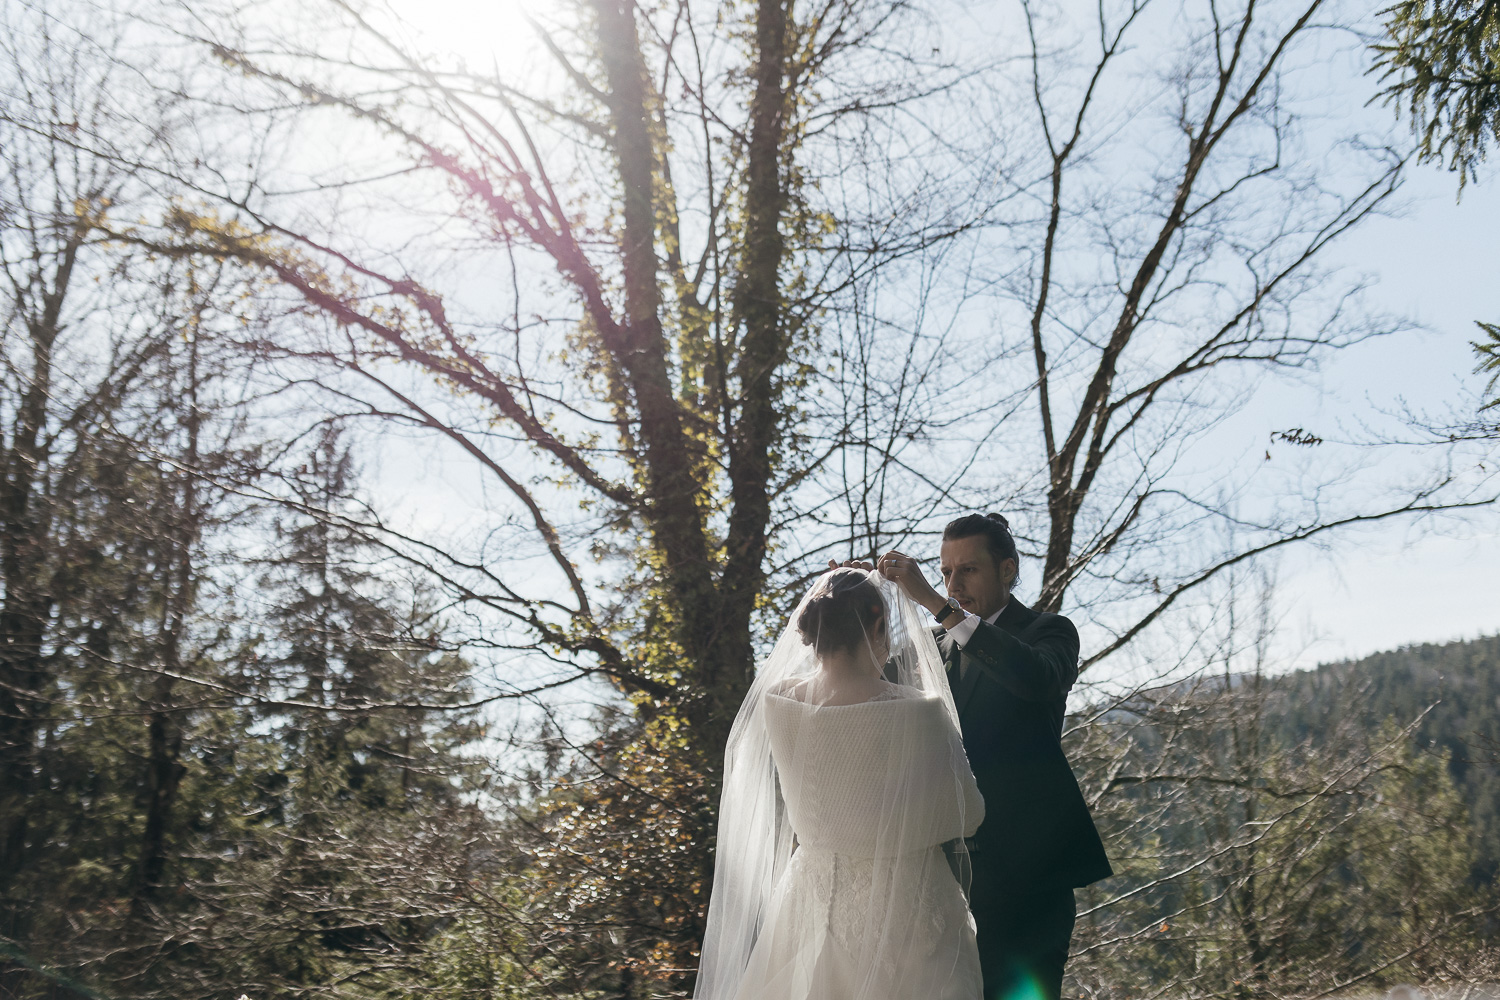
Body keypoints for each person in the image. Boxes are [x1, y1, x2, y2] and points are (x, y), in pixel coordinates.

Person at [694, 568, 986, 1000]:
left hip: (813, 901)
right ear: (877, 626)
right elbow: (969, 813)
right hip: (908, 906)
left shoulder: (779, 704)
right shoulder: (917, 710)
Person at [873, 513, 1113, 1000]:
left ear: (1007, 569)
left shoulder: (1050, 632)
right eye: (944, 573)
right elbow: (864, 684)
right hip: (946, 876)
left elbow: (1036, 679)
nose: (953, 584)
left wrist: (938, 605)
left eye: (968, 570)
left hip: (1029, 874)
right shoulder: (931, 651)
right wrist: (857, 594)